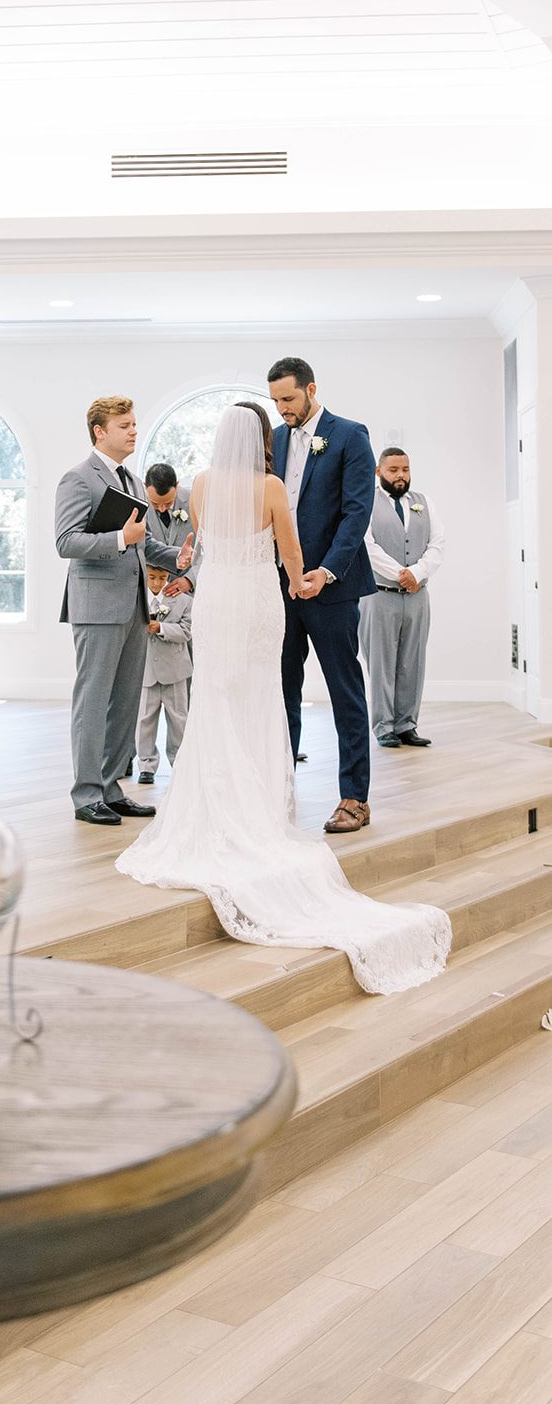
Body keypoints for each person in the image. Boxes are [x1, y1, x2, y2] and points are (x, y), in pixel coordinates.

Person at [116, 403, 450, 996]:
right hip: (262, 600)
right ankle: (261, 810)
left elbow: (200, 545)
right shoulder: (270, 486)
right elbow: (290, 553)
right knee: (262, 699)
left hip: (217, 602)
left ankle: (215, 806)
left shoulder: (200, 486)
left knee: (213, 698)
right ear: (260, 441)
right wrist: (305, 579)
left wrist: (189, 574)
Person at [55, 396, 193, 825]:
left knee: (125, 702)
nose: (134, 431)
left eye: (134, 424)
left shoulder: (132, 480)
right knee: (93, 701)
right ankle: (85, 795)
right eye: (125, 425)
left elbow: (144, 542)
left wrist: (177, 558)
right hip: (96, 605)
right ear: (100, 431)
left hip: (134, 605)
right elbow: (66, 542)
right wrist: (118, 538)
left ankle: (112, 788)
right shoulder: (78, 479)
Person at [268, 356, 377, 835]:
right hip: (279, 587)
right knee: (281, 690)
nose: (282, 409)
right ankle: (280, 788)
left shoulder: (350, 435)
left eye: (288, 399)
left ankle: (354, 797)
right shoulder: (272, 438)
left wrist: (327, 571)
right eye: (275, 401)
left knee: (344, 690)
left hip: (330, 589)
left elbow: (356, 513)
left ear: (311, 389)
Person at [360, 448, 445, 749]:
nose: (401, 476)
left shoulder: (424, 502)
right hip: (378, 595)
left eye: (405, 469)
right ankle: (384, 727)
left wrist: (418, 573)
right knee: (381, 663)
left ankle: (407, 724)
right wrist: (400, 573)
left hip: (418, 595)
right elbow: (365, 545)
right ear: (379, 472)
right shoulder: (365, 501)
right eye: (393, 470)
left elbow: (437, 544)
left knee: (412, 661)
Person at [136, 564, 192, 784]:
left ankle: (180, 761)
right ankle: (146, 765)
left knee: (179, 719)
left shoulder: (185, 601)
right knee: (145, 719)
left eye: (162, 578)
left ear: (169, 576)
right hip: (147, 670)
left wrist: (161, 628)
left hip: (175, 671)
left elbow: (186, 631)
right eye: (152, 577)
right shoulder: (137, 597)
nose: (157, 583)